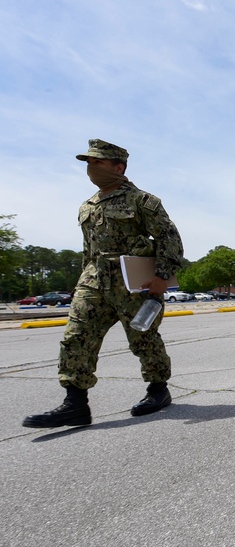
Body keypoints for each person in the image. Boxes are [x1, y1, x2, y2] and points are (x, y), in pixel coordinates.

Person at [23, 139, 184, 429]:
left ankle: (158, 389)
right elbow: (89, 249)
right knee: (76, 336)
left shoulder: (142, 201)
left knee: (143, 339)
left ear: (118, 167)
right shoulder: (87, 206)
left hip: (133, 282)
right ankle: (75, 403)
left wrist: (162, 277)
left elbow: (169, 239)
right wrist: (80, 282)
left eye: (97, 162)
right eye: (89, 163)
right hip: (94, 281)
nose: (91, 168)